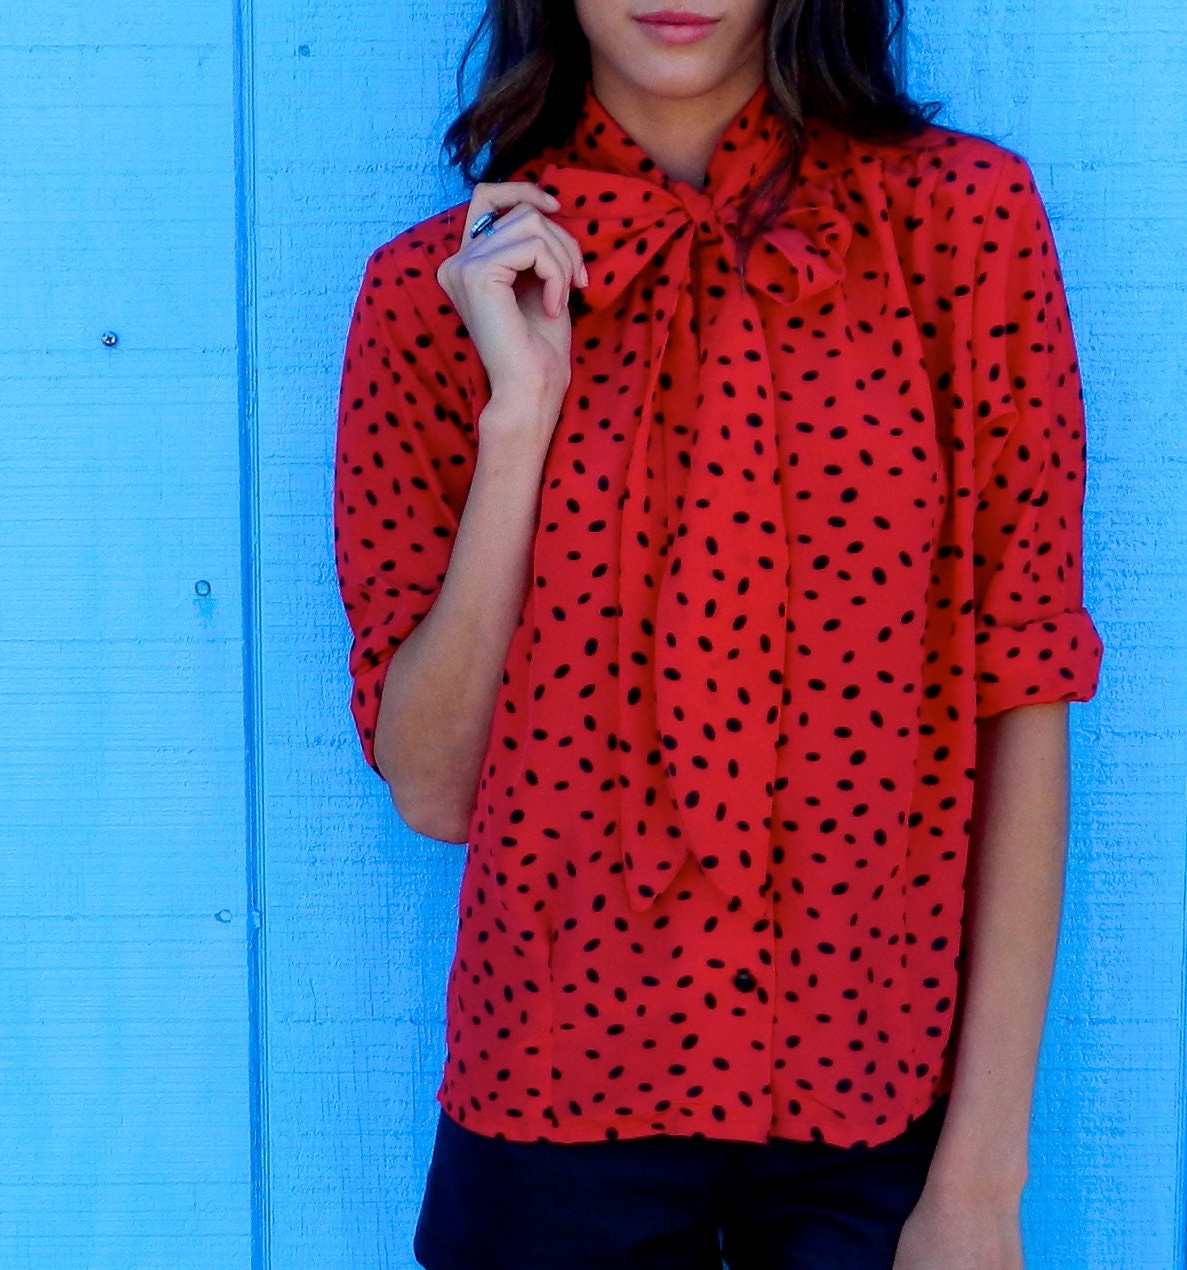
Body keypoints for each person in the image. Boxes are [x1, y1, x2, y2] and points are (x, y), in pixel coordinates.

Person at [332, 0, 1103, 1265]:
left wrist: (983, 1176)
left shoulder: (963, 230)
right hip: (554, 1113)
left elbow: (1023, 688)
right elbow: (434, 784)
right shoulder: (436, 300)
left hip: (879, 1121)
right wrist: (519, 419)